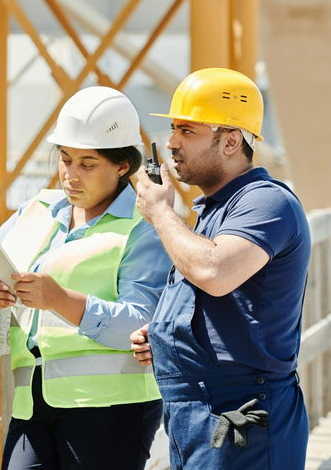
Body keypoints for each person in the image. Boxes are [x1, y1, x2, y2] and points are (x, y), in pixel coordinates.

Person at [0, 86, 171, 470]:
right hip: (32, 402)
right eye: (65, 160)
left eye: (87, 164)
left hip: (111, 410)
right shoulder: (39, 208)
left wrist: (59, 300)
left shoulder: (144, 229)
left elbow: (142, 325)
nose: (70, 175)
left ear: (122, 166)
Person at [130, 68, 311, 469]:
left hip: (242, 412)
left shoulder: (266, 202)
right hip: (200, 411)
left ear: (231, 141)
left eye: (188, 131)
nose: (171, 142)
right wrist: (165, 335)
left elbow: (213, 272)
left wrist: (160, 212)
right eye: (174, 129)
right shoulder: (214, 211)